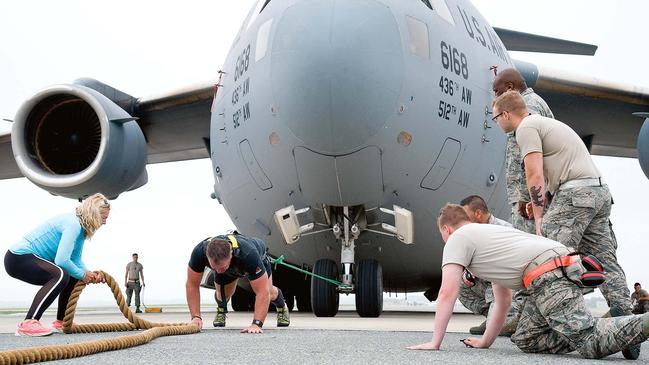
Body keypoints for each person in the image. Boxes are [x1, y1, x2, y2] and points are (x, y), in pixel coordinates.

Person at [407, 203, 647, 360]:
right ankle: (614, 329)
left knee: (589, 342)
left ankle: (627, 328)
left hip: (548, 273)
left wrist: (434, 342)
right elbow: (502, 301)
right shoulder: (489, 237)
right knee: (527, 338)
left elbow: (447, 292)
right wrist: (485, 342)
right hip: (556, 268)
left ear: (446, 229)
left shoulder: (458, 238)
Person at [492, 90, 633, 319]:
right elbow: (557, 169)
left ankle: (552, 319)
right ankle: (624, 316)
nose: (496, 123)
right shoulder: (546, 124)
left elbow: (534, 173)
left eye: (495, 117)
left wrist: (539, 216)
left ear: (506, 114)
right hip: (598, 192)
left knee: (547, 254)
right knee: (604, 258)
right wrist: (542, 198)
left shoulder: (526, 128)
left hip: (575, 193)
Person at [4, 193, 110, 337]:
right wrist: (83, 275)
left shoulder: (81, 228)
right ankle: (29, 322)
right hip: (18, 258)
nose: (104, 223)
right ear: (94, 214)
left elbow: (75, 260)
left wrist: (88, 274)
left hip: (29, 259)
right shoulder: (73, 224)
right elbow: (61, 260)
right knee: (61, 273)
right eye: (104, 218)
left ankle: (61, 321)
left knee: (73, 273)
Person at [185, 233, 290, 333]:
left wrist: (256, 324)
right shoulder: (199, 252)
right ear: (207, 256)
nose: (217, 271)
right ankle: (222, 308)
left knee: (269, 292)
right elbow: (192, 285)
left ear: (230, 254)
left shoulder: (248, 254)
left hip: (256, 259)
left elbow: (262, 292)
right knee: (221, 296)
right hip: (230, 267)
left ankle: (282, 307)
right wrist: (195, 317)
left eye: (221, 268)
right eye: (214, 268)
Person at [492, 68, 554, 234]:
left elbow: (529, 159)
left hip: (529, 202)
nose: (496, 97)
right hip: (535, 197)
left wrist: (527, 198)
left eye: (497, 92)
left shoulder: (526, 107)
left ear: (510, 87)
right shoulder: (534, 102)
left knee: (532, 252)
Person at [457, 195, 518, 336]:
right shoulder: (471, 232)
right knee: (460, 286)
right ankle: (494, 317)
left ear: (478, 213)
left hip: (505, 280)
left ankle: (503, 320)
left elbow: (510, 264)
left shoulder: (504, 230)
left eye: (465, 216)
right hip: (486, 279)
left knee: (496, 284)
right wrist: (468, 271)